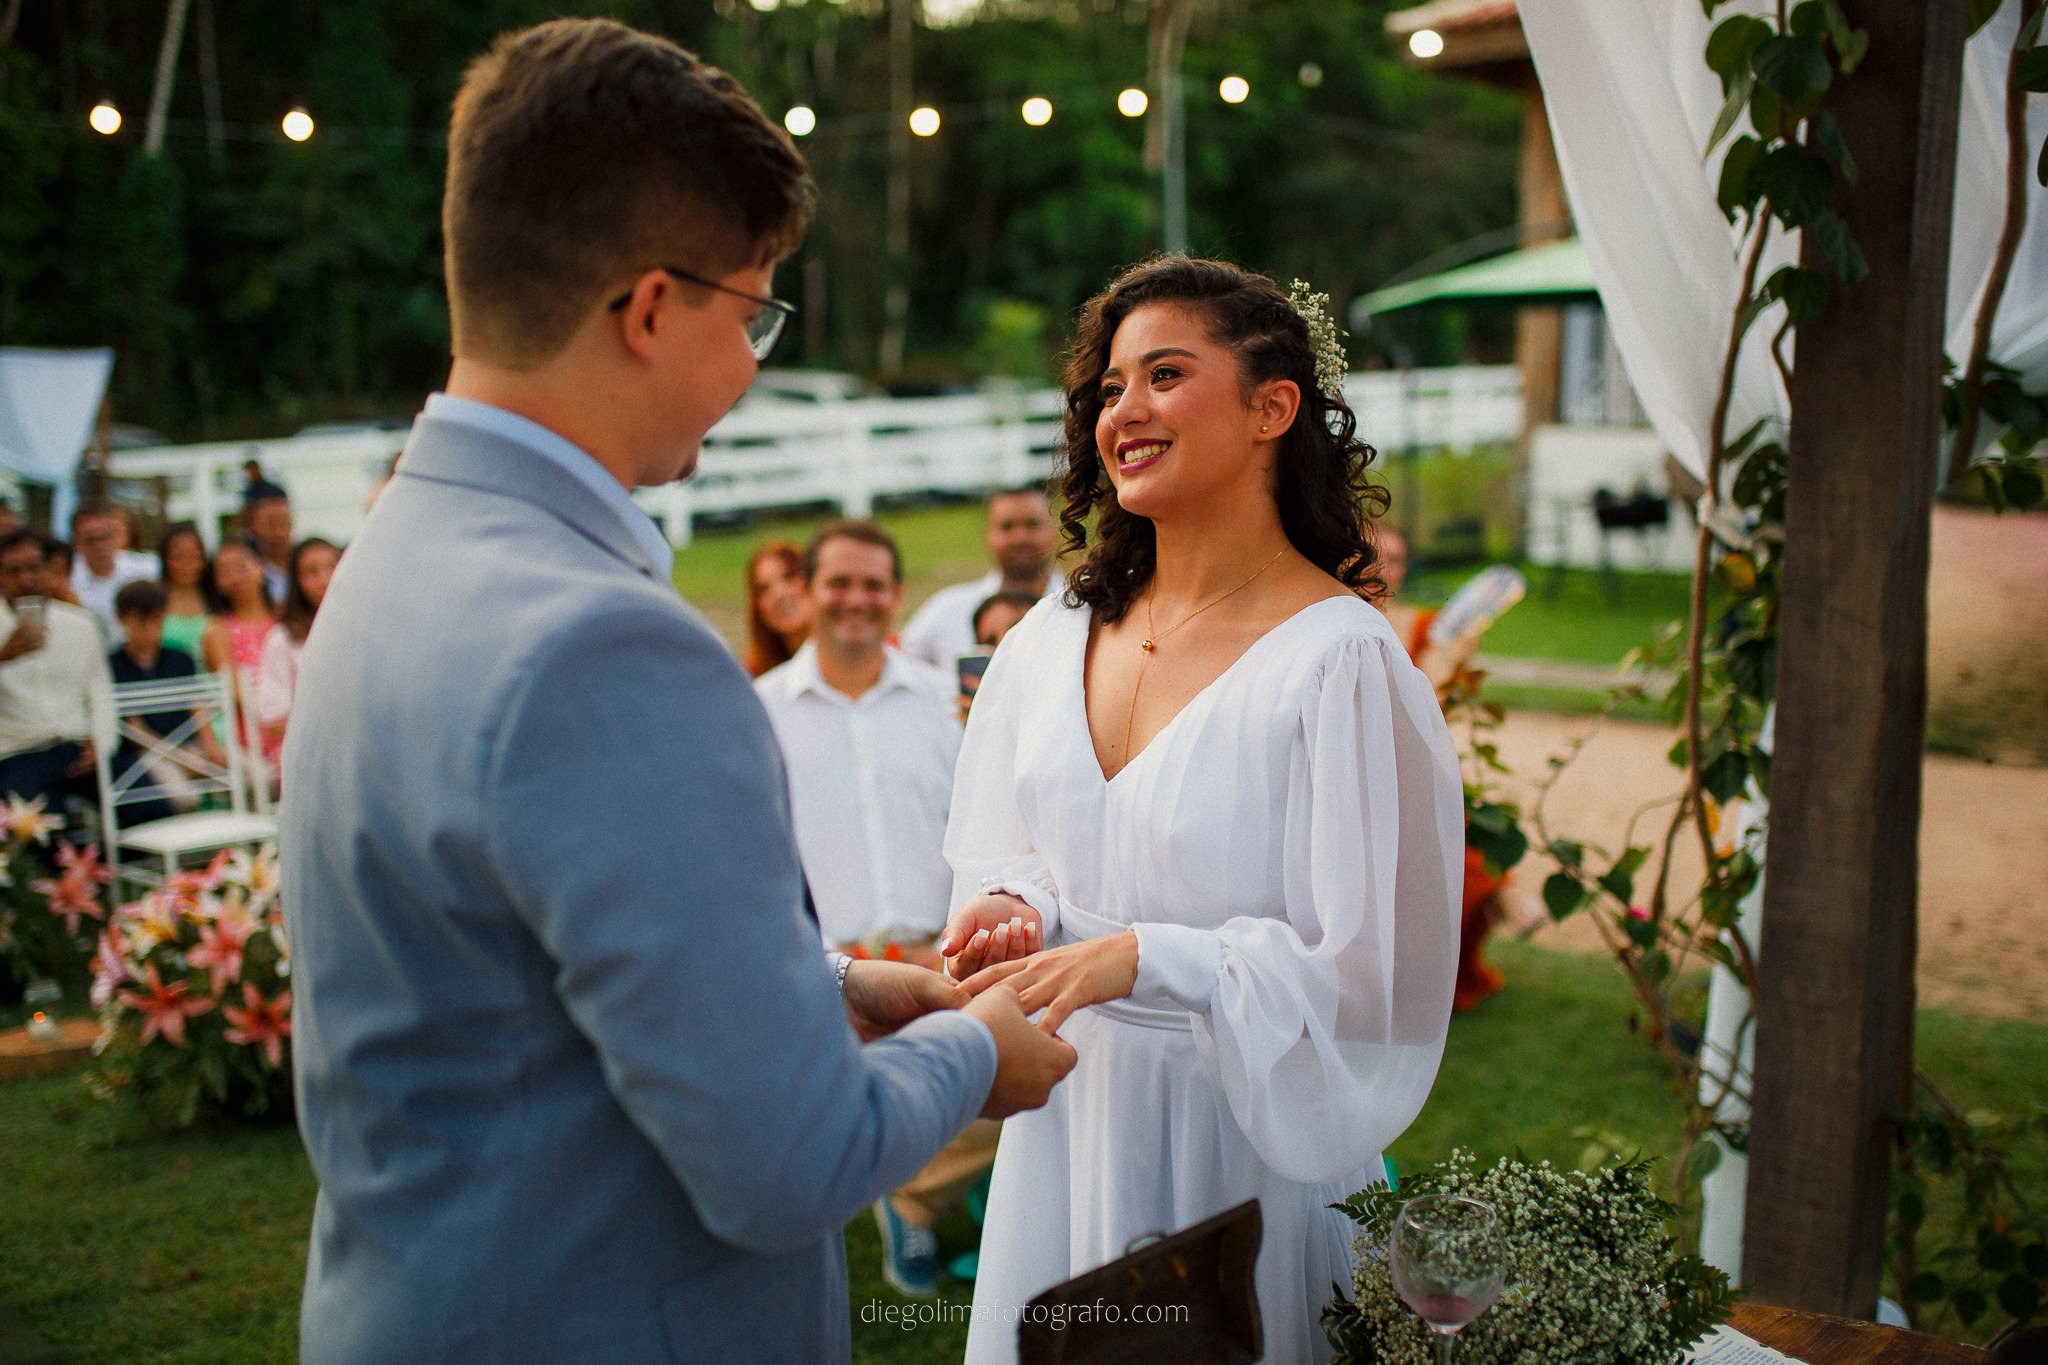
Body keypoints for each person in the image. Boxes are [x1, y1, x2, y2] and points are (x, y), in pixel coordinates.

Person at [280, 21, 1072, 1364]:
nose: (753, 361)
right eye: (750, 311)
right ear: (651, 309)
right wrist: (977, 1052)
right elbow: (790, 1162)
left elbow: (509, 961)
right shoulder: (602, 645)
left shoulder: (397, 547)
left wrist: (825, 984)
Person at [939, 257, 1465, 1365]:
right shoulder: (1050, 636)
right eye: (1110, 388)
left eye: (1165, 375)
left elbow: (1381, 977)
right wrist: (1014, 903)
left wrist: (1152, 957)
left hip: (1242, 1135)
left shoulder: (1340, 663)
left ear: (1272, 409)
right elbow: (1027, 846)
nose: (1123, 411)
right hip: (1067, 1119)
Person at [754, 519, 998, 1298]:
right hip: (818, 971)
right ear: (805, 593)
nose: (856, 599)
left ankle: (914, 1199)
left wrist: (952, 939)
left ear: (896, 596)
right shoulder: (757, 711)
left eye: (873, 584)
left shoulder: (945, 704)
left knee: (1016, 1077)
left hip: (940, 954)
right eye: (839, 582)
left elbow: (983, 827)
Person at [1371, 527, 1505, 1013]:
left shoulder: (1426, 625)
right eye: (1377, 555)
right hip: (1365, 769)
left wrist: (1456, 662)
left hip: (1407, 767)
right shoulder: (1330, 617)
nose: (1388, 568)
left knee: (1461, 857)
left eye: (1397, 559)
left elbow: (1429, 713)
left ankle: (1433, 976)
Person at [0, 529, 111, 813]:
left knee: (150, 807)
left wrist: (101, 744)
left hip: (79, 746)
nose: (26, 579)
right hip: (18, 752)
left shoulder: (80, 624)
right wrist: (4, 656)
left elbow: (100, 692)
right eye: (14, 571)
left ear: (50, 569)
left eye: (34, 568)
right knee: (34, 825)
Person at [898, 485, 1063, 670]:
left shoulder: (1077, 607)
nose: (1019, 538)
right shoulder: (947, 610)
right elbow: (895, 664)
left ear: (1054, 530)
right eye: (1006, 527)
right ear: (987, 534)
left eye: (1032, 525)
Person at [106, 580, 227, 825]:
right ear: (122, 620)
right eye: (142, 621)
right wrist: (182, 759)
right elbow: (134, 731)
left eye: (158, 620)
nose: (152, 629)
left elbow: (197, 705)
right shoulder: (112, 666)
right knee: (183, 796)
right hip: (147, 753)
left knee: (256, 775)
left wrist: (211, 745)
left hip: (191, 745)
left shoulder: (180, 657)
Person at [254, 538, 340, 772]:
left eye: (332, 567)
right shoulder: (282, 639)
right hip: (311, 755)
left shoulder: (364, 631)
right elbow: (274, 720)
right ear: (297, 581)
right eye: (312, 572)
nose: (325, 579)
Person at [69, 504, 159, 642]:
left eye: (105, 538)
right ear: (77, 542)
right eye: (91, 540)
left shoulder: (147, 569)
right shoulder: (68, 578)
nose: (100, 546)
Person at [742, 537, 809, 676]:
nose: (779, 594)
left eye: (788, 577)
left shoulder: (849, 656)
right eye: (764, 589)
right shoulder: (753, 678)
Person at [156, 523, 217, 660]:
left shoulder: (217, 597)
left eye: (194, 556)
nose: (187, 564)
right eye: (178, 557)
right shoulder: (154, 600)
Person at [243, 492, 294, 604]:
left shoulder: (304, 563)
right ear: (253, 527)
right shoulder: (249, 574)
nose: (279, 532)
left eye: (284, 523)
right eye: (270, 524)